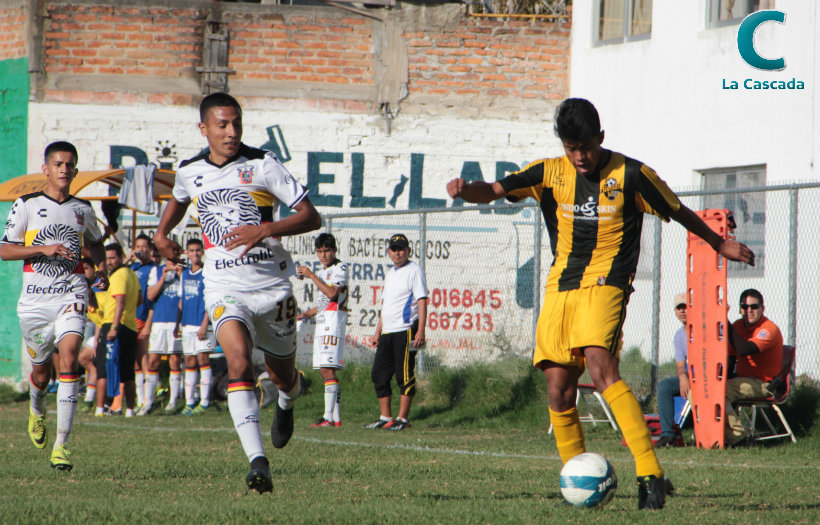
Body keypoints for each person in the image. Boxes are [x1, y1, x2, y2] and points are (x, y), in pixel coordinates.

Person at [445, 98, 755, 510]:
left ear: (601, 139)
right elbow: (496, 191)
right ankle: (580, 477)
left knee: (600, 367)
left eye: (587, 148)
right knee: (558, 389)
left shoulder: (632, 174)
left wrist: (719, 243)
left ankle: (648, 477)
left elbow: (677, 210)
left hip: (608, 283)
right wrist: (467, 191)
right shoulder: (548, 172)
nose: (580, 157)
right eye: (572, 148)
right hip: (561, 287)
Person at [153, 92, 321, 492]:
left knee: (283, 376)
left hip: (273, 287)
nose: (231, 132)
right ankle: (257, 462)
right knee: (240, 362)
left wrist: (264, 229)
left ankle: (288, 398)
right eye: (222, 125)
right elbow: (178, 200)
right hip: (225, 287)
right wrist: (161, 235)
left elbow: (311, 216)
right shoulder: (190, 171)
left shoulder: (263, 164)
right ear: (204, 128)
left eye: (236, 124)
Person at [0, 141, 108, 471]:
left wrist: (101, 270)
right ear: (45, 169)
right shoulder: (27, 205)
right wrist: (42, 249)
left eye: (69, 164)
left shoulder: (83, 209)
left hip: (71, 295)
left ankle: (61, 445)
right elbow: (5, 250)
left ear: (75, 170)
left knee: (71, 357)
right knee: (41, 373)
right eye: (58, 164)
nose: (64, 169)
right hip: (34, 303)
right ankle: (36, 407)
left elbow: (96, 243)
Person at [365, 233, 428, 431]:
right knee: (379, 374)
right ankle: (386, 417)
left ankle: (403, 419)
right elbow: (386, 305)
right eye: (394, 249)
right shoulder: (391, 273)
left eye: (401, 249)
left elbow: (422, 300)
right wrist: (377, 332)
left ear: (408, 251)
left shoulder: (414, 270)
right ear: (389, 252)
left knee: (404, 375)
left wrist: (421, 331)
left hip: (406, 329)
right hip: (388, 332)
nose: (397, 252)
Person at [296, 233, 349, 427]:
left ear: (334, 250)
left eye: (327, 251)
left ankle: (327, 417)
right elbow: (323, 302)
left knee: (327, 370)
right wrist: (306, 314)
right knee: (324, 370)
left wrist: (311, 275)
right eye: (320, 251)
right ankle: (335, 418)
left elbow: (332, 294)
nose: (323, 255)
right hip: (323, 320)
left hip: (333, 322)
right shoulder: (323, 270)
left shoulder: (340, 268)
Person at [725, 289, 783, 447]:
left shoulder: (768, 329)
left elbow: (744, 350)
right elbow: (731, 357)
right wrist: (722, 379)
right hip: (742, 381)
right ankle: (712, 436)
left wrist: (724, 320)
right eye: (744, 307)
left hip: (764, 384)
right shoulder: (737, 326)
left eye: (754, 307)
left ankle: (739, 438)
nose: (749, 310)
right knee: (707, 389)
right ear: (740, 309)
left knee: (720, 391)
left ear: (762, 309)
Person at [94, 243, 140, 418]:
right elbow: (140, 299)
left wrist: (114, 326)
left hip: (114, 325)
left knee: (103, 368)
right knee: (128, 371)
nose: (110, 261)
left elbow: (120, 301)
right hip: (130, 326)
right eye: (108, 258)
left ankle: (99, 409)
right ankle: (130, 409)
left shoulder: (119, 275)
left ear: (121, 257)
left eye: (113, 257)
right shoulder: (132, 274)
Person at [140, 256, 184, 414]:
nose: (172, 260)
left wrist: (180, 275)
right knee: (153, 360)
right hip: (159, 321)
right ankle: (148, 402)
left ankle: (173, 402)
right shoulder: (156, 270)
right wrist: (164, 276)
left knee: (174, 360)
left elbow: (186, 296)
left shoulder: (184, 272)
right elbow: (151, 296)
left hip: (176, 321)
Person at [177, 238, 216, 415]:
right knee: (190, 361)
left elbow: (210, 301)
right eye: (191, 250)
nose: (195, 253)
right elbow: (181, 300)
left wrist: (204, 324)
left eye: (198, 250)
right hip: (187, 325)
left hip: (202, 325)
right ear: (187, 253)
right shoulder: (184, 274)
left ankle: (205, 401)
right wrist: (178, 323)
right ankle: (190, 402)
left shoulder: (207, 273)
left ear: (202, 252)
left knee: (203, 360)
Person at [128, 233, 157, 409]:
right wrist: (127, 259)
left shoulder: (153, 269)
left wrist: (148, 324)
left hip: (144, 318)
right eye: (137, 247)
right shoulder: (131, 268)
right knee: (135, 362)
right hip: (130, 319)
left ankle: (149, 400)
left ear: (150, 249)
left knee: (144, 359)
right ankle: (140, 400)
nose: (140, 250)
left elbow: (152, 300)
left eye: (143, 247)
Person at [655, 293, 688, 448]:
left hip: (709, 379)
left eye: (686, 307)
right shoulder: (679, 335)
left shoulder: (704, 328)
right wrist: (682, 376)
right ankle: (668, 435)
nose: (682, 311)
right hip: (690, 377)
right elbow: (681, 364)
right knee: (665, 386)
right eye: (679, 308)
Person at [79, 257, 104, 412]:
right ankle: (90, 396)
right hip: (96, 332)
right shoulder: (85, 302)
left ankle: (90, 399)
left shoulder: (99, 297)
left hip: (105, 332)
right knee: (85, 360)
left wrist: (97, 342)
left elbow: (102, 321)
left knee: (85, 358)